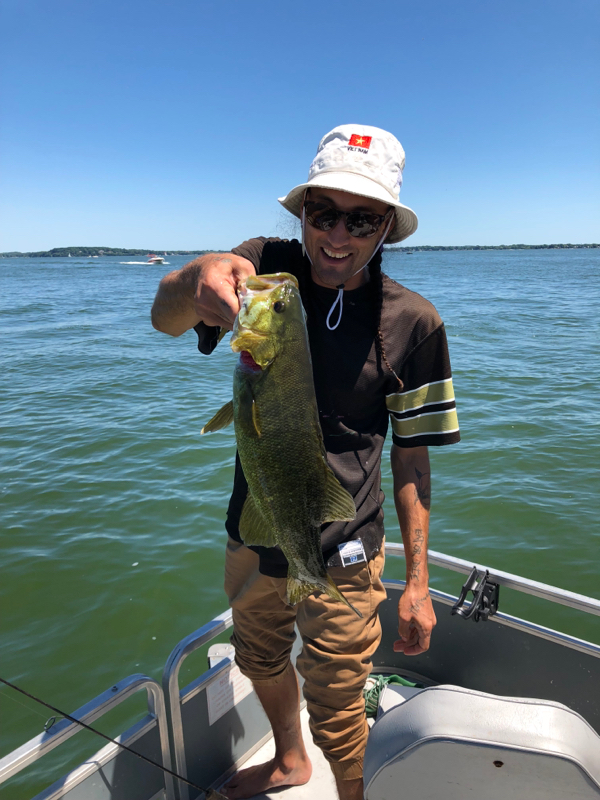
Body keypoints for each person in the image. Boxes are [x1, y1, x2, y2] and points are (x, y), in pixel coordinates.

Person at [151, 124, 460, 800]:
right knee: (258, 657)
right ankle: (290, 761)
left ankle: (351, 792)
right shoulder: (266, 271)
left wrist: (416, 583)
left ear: (387, 227)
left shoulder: (416, 323)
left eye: (362, 219)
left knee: (339, 700)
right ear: (303, 212)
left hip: (348, 546)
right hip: (254, 528)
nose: (338, 235)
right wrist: (194, 276)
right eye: (324, 213)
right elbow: (166, 316)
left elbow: (413, 463)